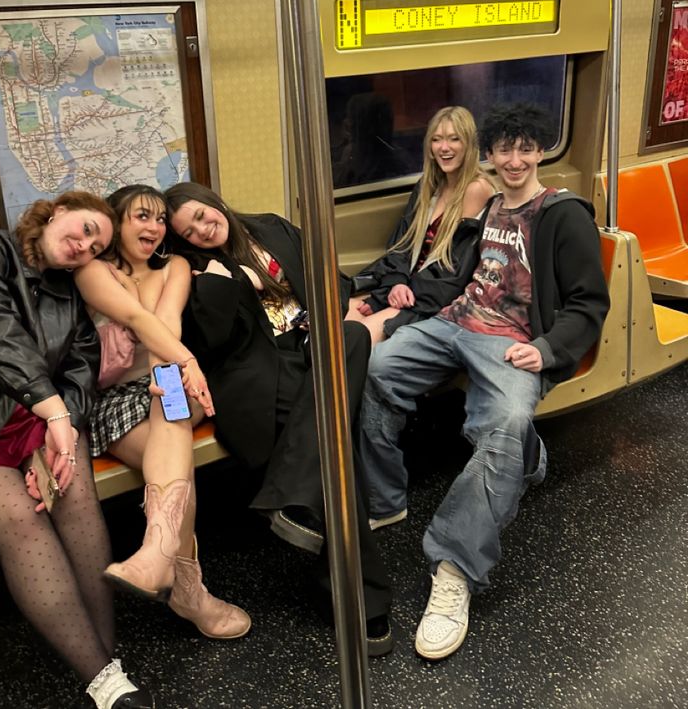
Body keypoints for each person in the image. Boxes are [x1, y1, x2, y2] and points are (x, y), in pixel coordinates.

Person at [360, 103, 610, 660]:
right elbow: (463, 273)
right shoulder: (491, 205)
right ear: (491, 155)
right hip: (456, 323)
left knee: (505, 426)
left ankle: (454, 567)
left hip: (512, 342)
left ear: (541, 151)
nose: (515, 159)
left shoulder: (563, 214)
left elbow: (588, 303)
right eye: (505, 149)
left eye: (526, 148)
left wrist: (544, 350)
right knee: (375, 369)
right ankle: (387, 497)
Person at [164, 182, 394, 656]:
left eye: (205, 216)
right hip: (261, 373)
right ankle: (361, 602)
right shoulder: (197, 269)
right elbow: (213, 341)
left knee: (350, 336)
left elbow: (331, 277)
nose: (206, 230)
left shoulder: (271, 226)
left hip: (311, 346)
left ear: (215, 203)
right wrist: (223, 282)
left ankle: (290, 491)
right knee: (335, 451)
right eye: (192, 232)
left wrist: (326, 313)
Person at [0, 192, 158, 709]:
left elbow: (82, 370)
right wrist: (56, 415)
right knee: (21, 517)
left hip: (38, 425)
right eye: (86, 228)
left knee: (74, 491)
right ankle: (106, 679)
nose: (85, 245)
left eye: (96, 247)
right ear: (56, 211)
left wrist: (58, 424)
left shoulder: (68, 294)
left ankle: (105, 672)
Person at [73, 185, 250, 640]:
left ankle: (156, 551)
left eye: (158, 219)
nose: (152, 227)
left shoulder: (174, 266)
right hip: (112, 400)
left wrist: (167, 377)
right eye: (140, 217)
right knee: (177, 456)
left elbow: (167, 323)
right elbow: (137, 320)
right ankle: (188, 588)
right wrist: (178, 368)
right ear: (118, 223)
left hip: (165, 378)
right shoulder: (93, 271)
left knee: (168, 406)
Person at [347, 105, 495, 345]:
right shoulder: (429, 186)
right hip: (404, 287)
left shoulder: (476, 190)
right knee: (340, 318)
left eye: (453, 139)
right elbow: (401, 244)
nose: (444, 148)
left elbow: (455, 272)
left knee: (356, 341)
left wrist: (404, 291)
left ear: (468, 144)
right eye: (437, 140)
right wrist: (395, 282)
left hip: (430, 299)